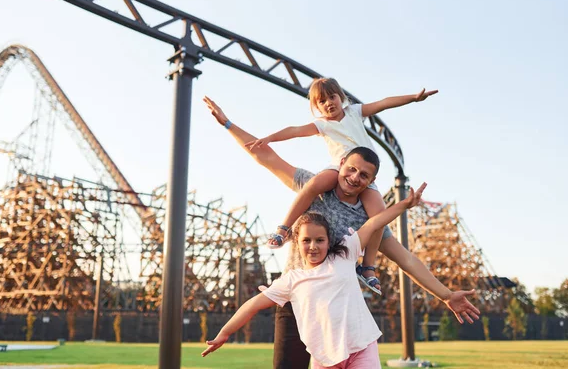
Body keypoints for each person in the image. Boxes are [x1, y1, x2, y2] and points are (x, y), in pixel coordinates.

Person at [203, 96, 480, 369]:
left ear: (371, 182)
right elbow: (265, 156)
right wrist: (228, 124)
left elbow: (405, 259)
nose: (354, 178)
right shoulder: (314, 186)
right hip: (295, 300)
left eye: (363, 176)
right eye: (351, 169)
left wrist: (446, 295)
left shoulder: (366, 218)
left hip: (339, 315)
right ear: (341, 163)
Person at [244, 78, 438, 295]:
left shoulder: (355, 112)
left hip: (363, 171)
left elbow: (383, 103)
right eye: (321, 101)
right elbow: (295, 130)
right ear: (316, 107)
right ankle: (283, 228)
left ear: (341, 97)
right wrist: (270, 138)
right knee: (313, 185)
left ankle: (368, 268)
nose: (328, 103)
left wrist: (412, 98)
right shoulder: (322, 125)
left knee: (379, 219)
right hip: (340, 169)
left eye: (332, 97)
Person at [202, 183, 429, 368]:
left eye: (319, 240)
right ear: (297, 242)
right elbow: (252, 305)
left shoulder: (345, 254)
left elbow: (375, 222)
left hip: (360, 347)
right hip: (324, 357)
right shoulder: (291, 281)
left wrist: (405, 205)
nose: (313, 246)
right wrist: (224, 332)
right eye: (306, 240)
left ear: (329, 241)